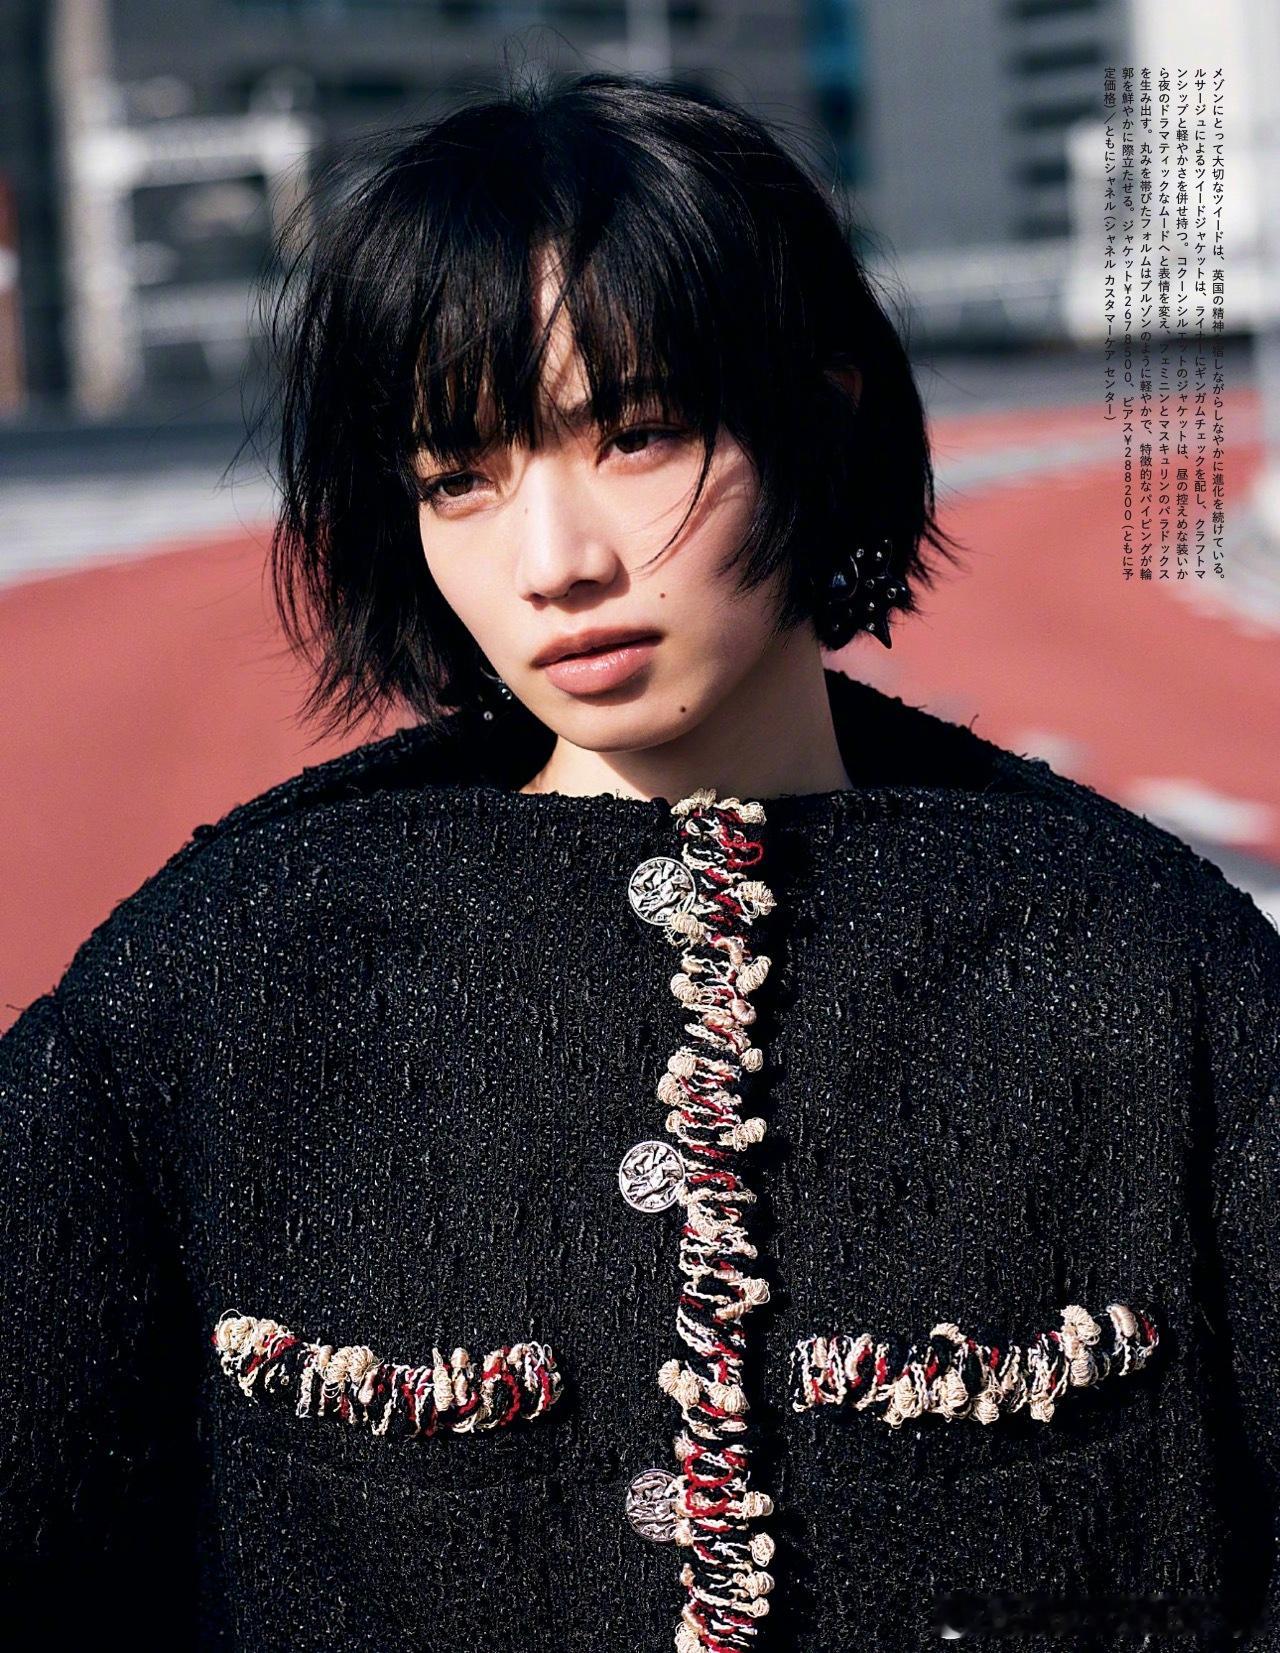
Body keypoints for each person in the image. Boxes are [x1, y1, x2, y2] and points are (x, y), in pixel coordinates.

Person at [1, 67, 1277, 1653]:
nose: (554, 562)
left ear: (822, 412)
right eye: (458, 476)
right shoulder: (215, 986)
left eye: (639, 435)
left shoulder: (1149, 968)